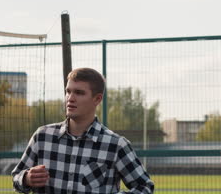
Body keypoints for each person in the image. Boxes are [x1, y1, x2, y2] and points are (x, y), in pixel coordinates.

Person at [12, 68, 154, 194]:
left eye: (79, 93)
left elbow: (144, 187)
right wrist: (26, 178)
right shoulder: (42, 137)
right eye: (68, 91)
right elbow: (17, 176)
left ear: (97, 99)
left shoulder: (116, 145)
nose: (70, 98)